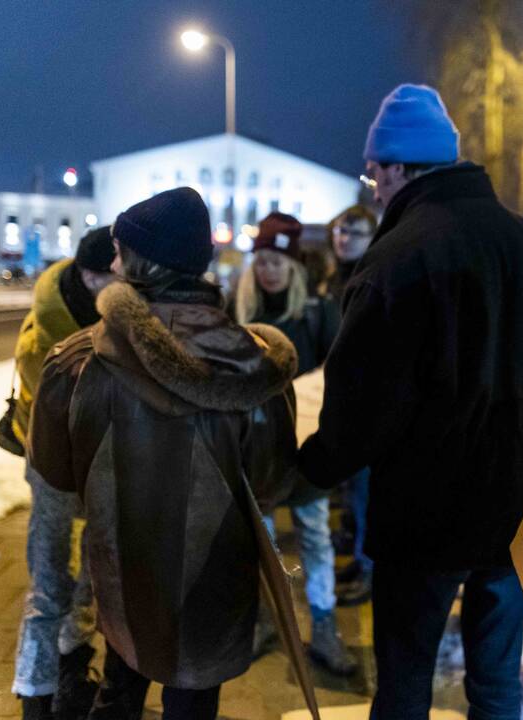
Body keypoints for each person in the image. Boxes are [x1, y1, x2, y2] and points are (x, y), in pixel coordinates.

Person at [297, 83, 523, 720]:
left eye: (373, 173)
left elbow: (362, 407)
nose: (373, 188)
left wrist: (312, 465)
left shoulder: (394, 258)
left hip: (423, 516)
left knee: (406, 685)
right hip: (517, 507)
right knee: (495, 684)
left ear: (397, 167)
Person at [27, 187, 299, 719]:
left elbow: (56, 481)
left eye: (119, 248)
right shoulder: (258, 367)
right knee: (194, 704)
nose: (110, 261)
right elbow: (270, 484)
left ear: (137, 261)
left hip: (120, 580)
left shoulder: (74, 364)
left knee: (119, 687)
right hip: (215, 589)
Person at [235, 211, 358, 676]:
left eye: (277, 262)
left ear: (292, 267)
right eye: (262, 261)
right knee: (260, 540)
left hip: (305, 450)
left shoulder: (317, 312)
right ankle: (267, 619)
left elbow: (338, 371)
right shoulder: (239, 311)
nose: (268, 270)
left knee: (314, 537)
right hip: (253, 453)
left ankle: (324, 628)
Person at [11, 226, 115, 720]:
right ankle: (35, 696)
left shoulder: (104, 312)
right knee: (49, 582)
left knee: (92, 577)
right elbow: (59, 420)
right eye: (111, 277)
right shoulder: (46, 339)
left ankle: (72, 669)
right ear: (88, 273)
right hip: (53, 464)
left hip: (98, 463)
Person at [326, 204, 379, 606]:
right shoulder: (335, 280)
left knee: (366, 492)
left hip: (366, 405)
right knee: (352, 491)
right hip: (341, 400)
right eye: (340, 232)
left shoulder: (372, 279)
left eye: (354, 233)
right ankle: (360, 561)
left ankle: (369, 568)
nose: (343, 239)